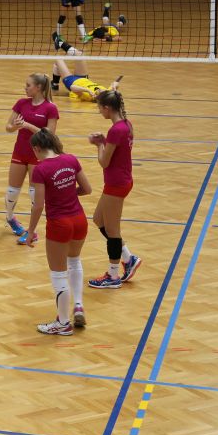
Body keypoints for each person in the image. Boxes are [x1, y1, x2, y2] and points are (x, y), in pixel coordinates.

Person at [25, 129, 92, 336]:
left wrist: (30, 231)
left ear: (37, 148)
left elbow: (38, 205)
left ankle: (63, 323)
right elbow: (87, 189)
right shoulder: (71, 159)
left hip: (59, 224)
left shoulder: (40, 169)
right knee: (74, 261)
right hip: (79, 220)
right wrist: (68, 193)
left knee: (58, 273)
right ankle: (78, 305)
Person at [86, 90, 143, 289]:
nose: (99, 111)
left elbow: (104, 161)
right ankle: (128, 258)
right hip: (120, 180)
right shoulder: (127, 124)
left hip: (116, 184)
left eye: (100, 108)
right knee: (98, 219)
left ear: (107, 108)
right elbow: (117, 150)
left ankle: (113, 276)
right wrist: (105, 142)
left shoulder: (116, 130)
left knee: (112, 230)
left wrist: (98, 145)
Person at [3, 73, 59, 244]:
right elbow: (8, 127)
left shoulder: (50, 108)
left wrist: (27, 126)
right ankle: (10, 218)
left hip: (38, 155)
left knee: (35, 194)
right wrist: (15, 127)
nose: (25, 88)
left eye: (28, 85)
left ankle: (32, 231)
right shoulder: (21, 103)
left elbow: (50, 135)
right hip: (20, 152)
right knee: (12, 190)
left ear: (39, 87)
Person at [50, 57, 120, 101]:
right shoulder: (106, 92)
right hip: (84, 78)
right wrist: (114, 86)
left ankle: (55, 84)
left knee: (58, 59)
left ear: (97, 96)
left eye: (101, 91)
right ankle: (55, 81)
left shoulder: (89, 96)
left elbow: (72, 87)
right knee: (80, 55)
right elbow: (116, 82)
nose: (102, 89)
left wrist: (87, 90)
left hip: (72, 81)